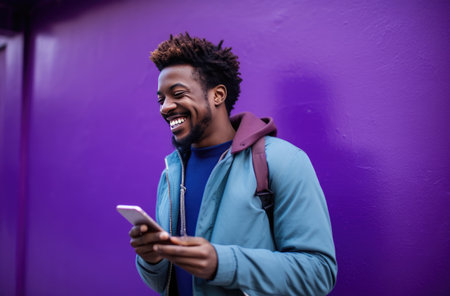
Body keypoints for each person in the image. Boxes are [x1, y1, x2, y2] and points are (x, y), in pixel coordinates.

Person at [128, 33, 337, 296]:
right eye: (161, 99)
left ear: (217, 95)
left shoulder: (283, 160)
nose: (165, 107)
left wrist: (222, 264)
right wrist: (152, 259)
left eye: (177, 94)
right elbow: (166, 285)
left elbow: (319, 273)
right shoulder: (171, 174)